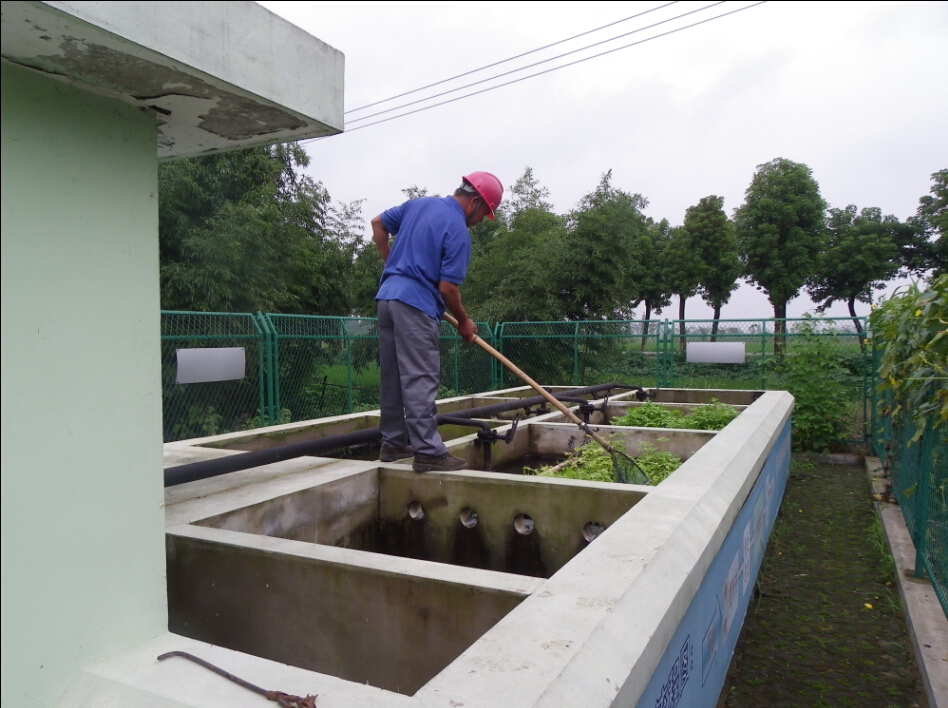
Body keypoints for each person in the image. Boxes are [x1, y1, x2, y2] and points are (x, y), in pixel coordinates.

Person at [373, 172, 503, 472]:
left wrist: (391, 264)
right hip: (414, 305)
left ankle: (392, 443)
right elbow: (447, 288)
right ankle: (429, 451)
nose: (482, 220)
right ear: (474, 202)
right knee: (420, 376)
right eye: (485, 213)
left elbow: (377, 224)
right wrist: (464, 321)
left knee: (392, 377)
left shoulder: (419, 205)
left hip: (387, 298)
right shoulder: (457, 230)